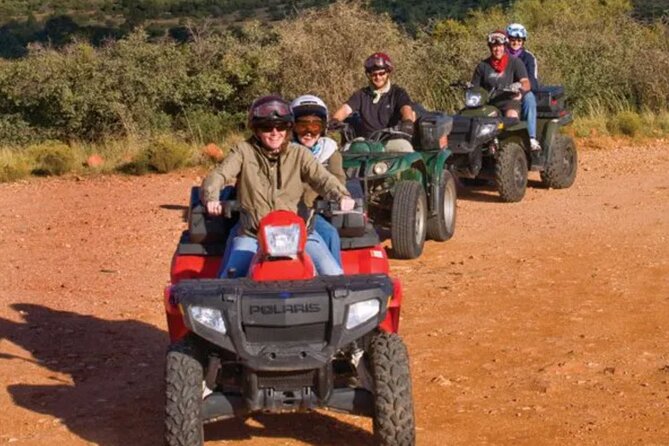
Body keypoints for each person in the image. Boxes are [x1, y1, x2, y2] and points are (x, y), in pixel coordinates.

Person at [201, 95, 354, 278]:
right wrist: (212, 198)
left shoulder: (299, 154)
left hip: (301, 235)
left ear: (288, 128)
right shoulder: (243, 151)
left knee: (334, 274)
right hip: (253, 235)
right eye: (267, 127)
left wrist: (341, 195)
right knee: (230, 278)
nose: (275, 132)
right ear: (256, 130)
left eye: (281, 126)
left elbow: (322, 178)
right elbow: (219, 174)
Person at [291, 94, 345, 267]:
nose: (308, 132)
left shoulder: (330, 151)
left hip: (314, 212)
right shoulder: (283, 150)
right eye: (302, 126)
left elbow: (338, 180)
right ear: (292, 127)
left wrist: (313, 195)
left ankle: (336, 286)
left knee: (329, 234)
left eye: (315, 126)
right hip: (282, 211)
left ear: (323, 129)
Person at [332, 52, 416, 152]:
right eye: (374, 74)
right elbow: (345, 109)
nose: (378, 77)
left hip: (391, 140)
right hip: (365, 142)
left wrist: (408, 122)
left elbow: (406, 109)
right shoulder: (361, 94)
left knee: (405, 149)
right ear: (369, 75)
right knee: (346, 151)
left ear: (388, 72)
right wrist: (335, 120)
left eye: (381, 73)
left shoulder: (398, 93)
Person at [471, 30, 530, 122]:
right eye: (494, 46)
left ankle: (513, 136)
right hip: (489, 104)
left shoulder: (515, 62)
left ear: (504, 46)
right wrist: (469, 89)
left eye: (500, 46)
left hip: (509, 102)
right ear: (490, 48)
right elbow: (474, 87)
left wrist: (520, 88)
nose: (497, 49)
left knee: (511, 117)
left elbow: (526, 83)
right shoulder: (482, 66)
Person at [506, 23, 541, 151]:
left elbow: (533, 82)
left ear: (523, 41)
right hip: (503, 91)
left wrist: (521, 89)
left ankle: (531, 137)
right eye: (512, 39)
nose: (515, 43)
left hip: (523, 92)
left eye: (519, 40)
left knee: (530, 99)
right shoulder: (500, 55)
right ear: (507, 39)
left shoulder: (529, 57)